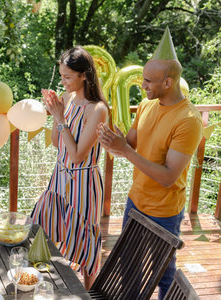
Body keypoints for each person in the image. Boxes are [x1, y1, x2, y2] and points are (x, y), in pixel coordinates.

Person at [97, 27, 203, 299]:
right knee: (127, 267)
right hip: (136, 201)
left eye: (147, 81)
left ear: (168, 83)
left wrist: (125, 150)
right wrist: (114, 141)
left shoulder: (188, 120)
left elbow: (168, 176)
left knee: (163, 273)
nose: (142, 85)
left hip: (164, 211)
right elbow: (131, 143)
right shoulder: (146, 105)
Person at [31, 46, 109, 290]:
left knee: (84, 237)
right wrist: (56, 113)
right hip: (59, 177)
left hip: (83, 181)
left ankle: (87, 291)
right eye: (61, 75)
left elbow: (76, 156)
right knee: (42, 223)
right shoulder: (67, 98)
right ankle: (40, 280)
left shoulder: (97, 109)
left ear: (84, 75)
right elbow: (57, 142)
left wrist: (61, 119)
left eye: (67, 77)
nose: (62, 82)